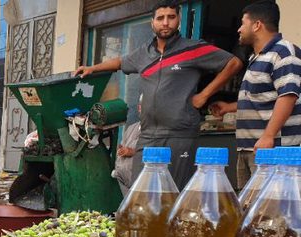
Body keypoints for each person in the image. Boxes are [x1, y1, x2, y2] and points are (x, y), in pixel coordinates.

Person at [75, 1, 243, 189]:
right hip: (147, 136)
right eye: (160, 18)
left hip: (179, 134)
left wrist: (204, 95)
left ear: (178, 20)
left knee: (173, 194)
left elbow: (233, 63)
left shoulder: (193, 49)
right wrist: (92, 68)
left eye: (171, 17)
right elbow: (120, 62)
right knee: (141, 192)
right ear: (152, 22)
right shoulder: (144, 53)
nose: (165, 23)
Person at [210, 1, 301, 189]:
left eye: (243, 23)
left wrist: (268, 135)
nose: (239, 30)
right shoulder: (256, 57)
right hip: (250, 149)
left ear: (257, 25)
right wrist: (229, 107)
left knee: (270, 212)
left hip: (273, 152)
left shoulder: (284, 53)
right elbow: (262, 97)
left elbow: (288, 96)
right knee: (250, 210)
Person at [113, 98, 143, 196]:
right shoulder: (131, 128)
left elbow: (157, 153)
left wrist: (132, 152)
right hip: (121, 178)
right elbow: (121, 150)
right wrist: (120, 149)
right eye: (141, 106)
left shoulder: (157, 131)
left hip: (140, 182)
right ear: (139, 108)